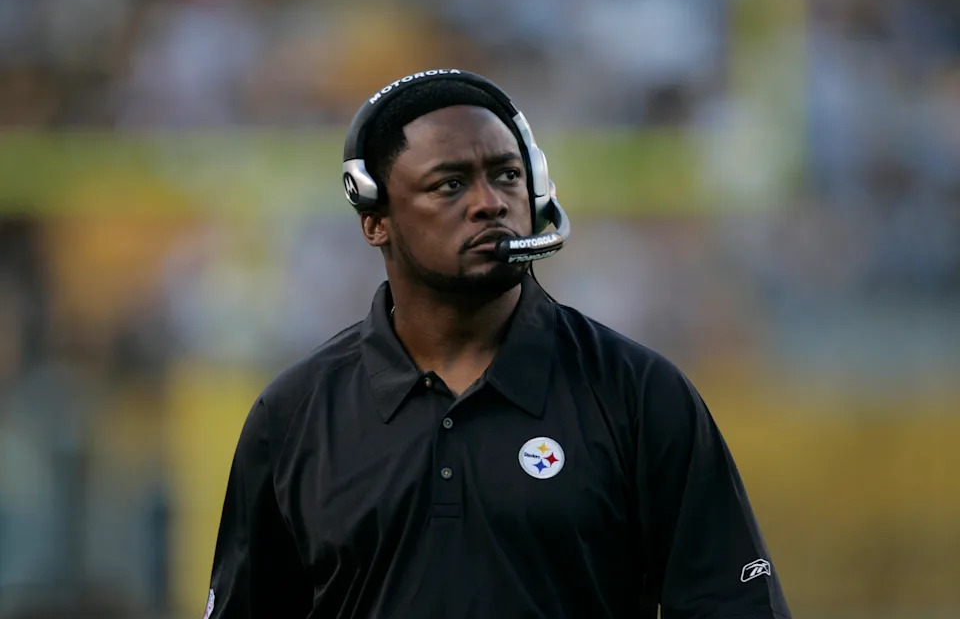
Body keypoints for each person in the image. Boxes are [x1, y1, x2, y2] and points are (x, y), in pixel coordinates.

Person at [203, 69, 791, 619]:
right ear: (375, 218)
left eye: (507, 175)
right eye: (450, 184)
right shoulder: (293, 415)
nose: (490, 202)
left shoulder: (639, 393)